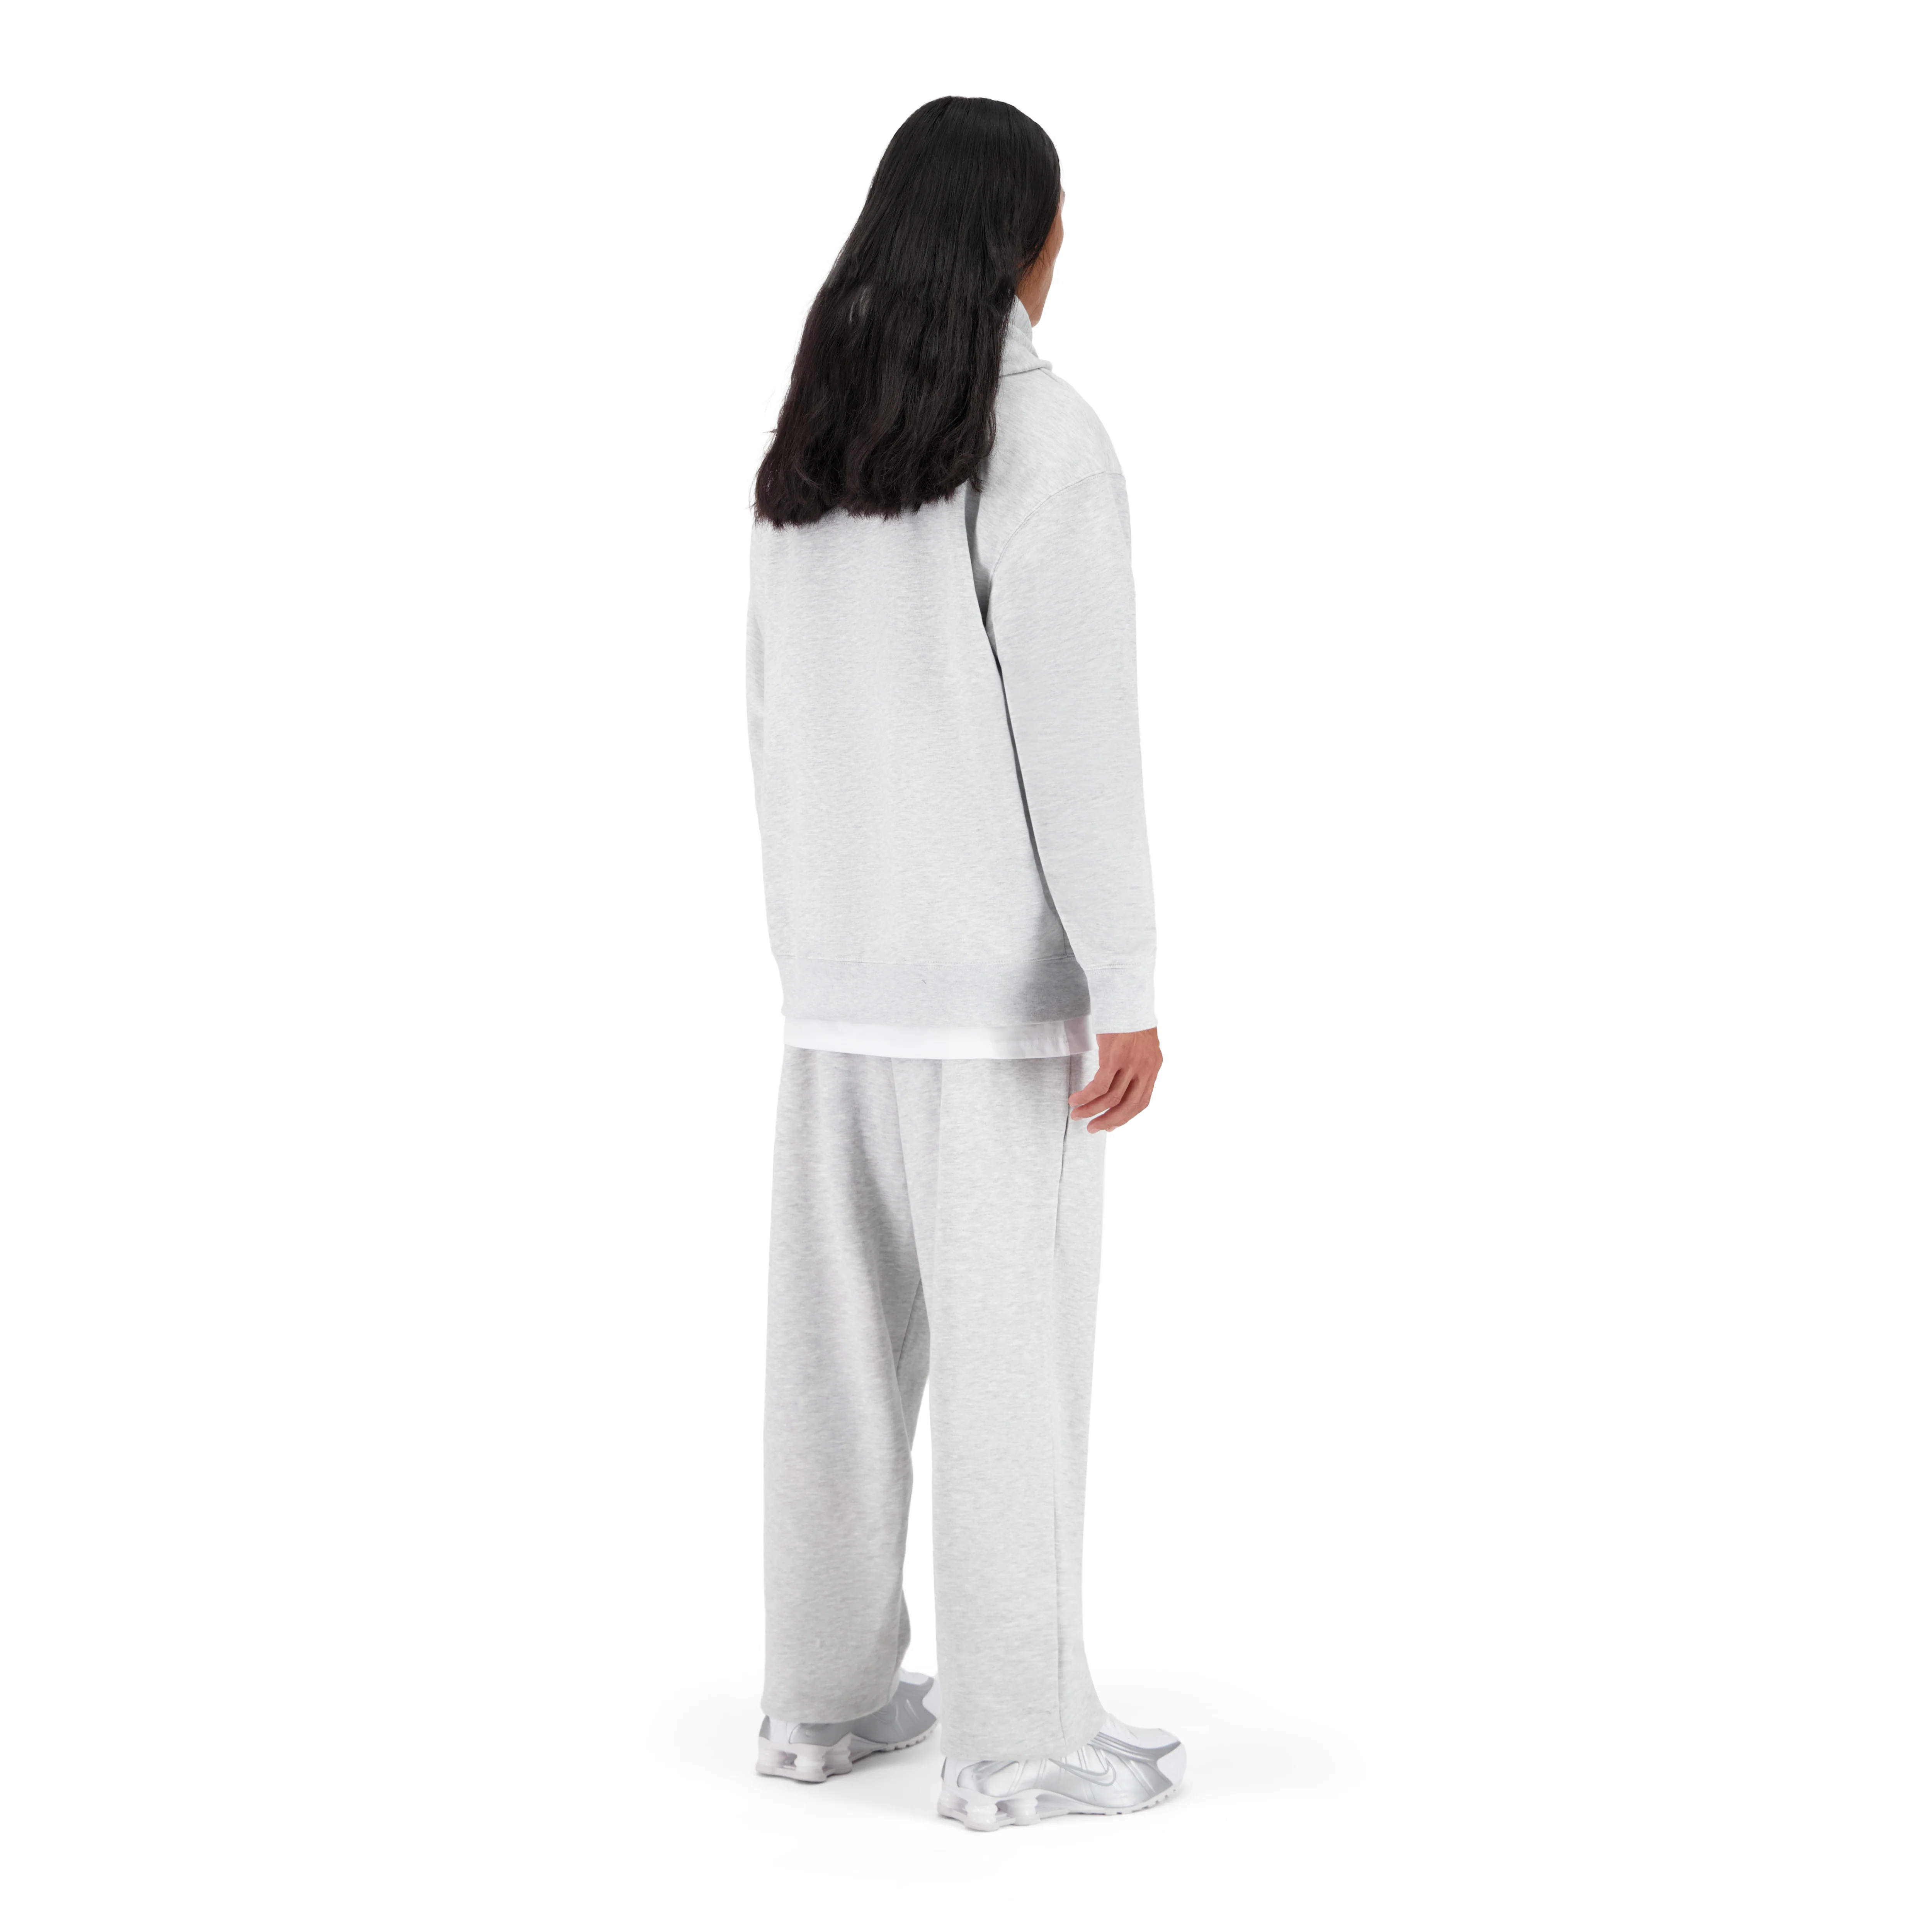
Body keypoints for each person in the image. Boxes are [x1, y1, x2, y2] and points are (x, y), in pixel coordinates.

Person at [745, 96, 1182, 1832]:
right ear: (1030, 241)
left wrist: (810, 937)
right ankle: (1020, 1738)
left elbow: (772, 715)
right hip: (995, 999)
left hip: (838, 979)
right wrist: (1125, 978)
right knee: (1012, 1366)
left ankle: (823, 1699)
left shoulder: (814, 436)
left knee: (833, 1367)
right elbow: (1081, 737)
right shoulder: (1040, 437)